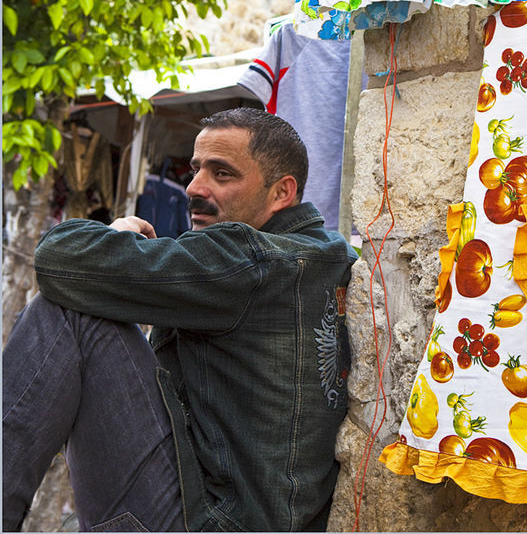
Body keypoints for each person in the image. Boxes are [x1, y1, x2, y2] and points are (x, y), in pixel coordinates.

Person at [3, 107, 358, 532]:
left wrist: (113, 235)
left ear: (282, 192)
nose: (194, 188)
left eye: (222, 174)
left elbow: (57, 260)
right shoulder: (325, 253)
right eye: (195, 169)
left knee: (63, 312)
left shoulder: (246, 259)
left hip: (212, 523)